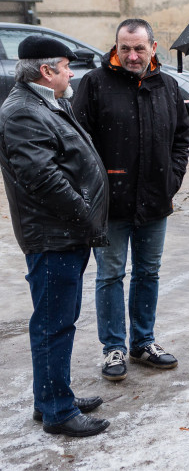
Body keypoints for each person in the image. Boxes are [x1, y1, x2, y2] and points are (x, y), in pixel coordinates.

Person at [0, 36, 109, 436]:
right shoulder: (23, 112)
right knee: (53, 323)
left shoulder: (42, 102)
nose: (71, 73)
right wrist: (84, 211)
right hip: (54, 235)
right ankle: (57, 411)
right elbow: (41, 177)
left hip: (63, 232)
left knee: (57, 320)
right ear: (46, 72)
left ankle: (50, 396)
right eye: (65, 66)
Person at [72, 18, 189, 381]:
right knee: (110, 274)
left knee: (148, 272)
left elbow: (181, 138)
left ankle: (143, 342)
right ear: (115, 48)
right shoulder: (94, 84)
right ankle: (114, 349)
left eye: (139, 48)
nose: (132, 55)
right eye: (125, 48)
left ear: (153, 48)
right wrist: (98, 188)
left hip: (155, 201)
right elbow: (78, 144)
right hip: (110, 204)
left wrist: (171, 179)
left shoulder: (167, 87)